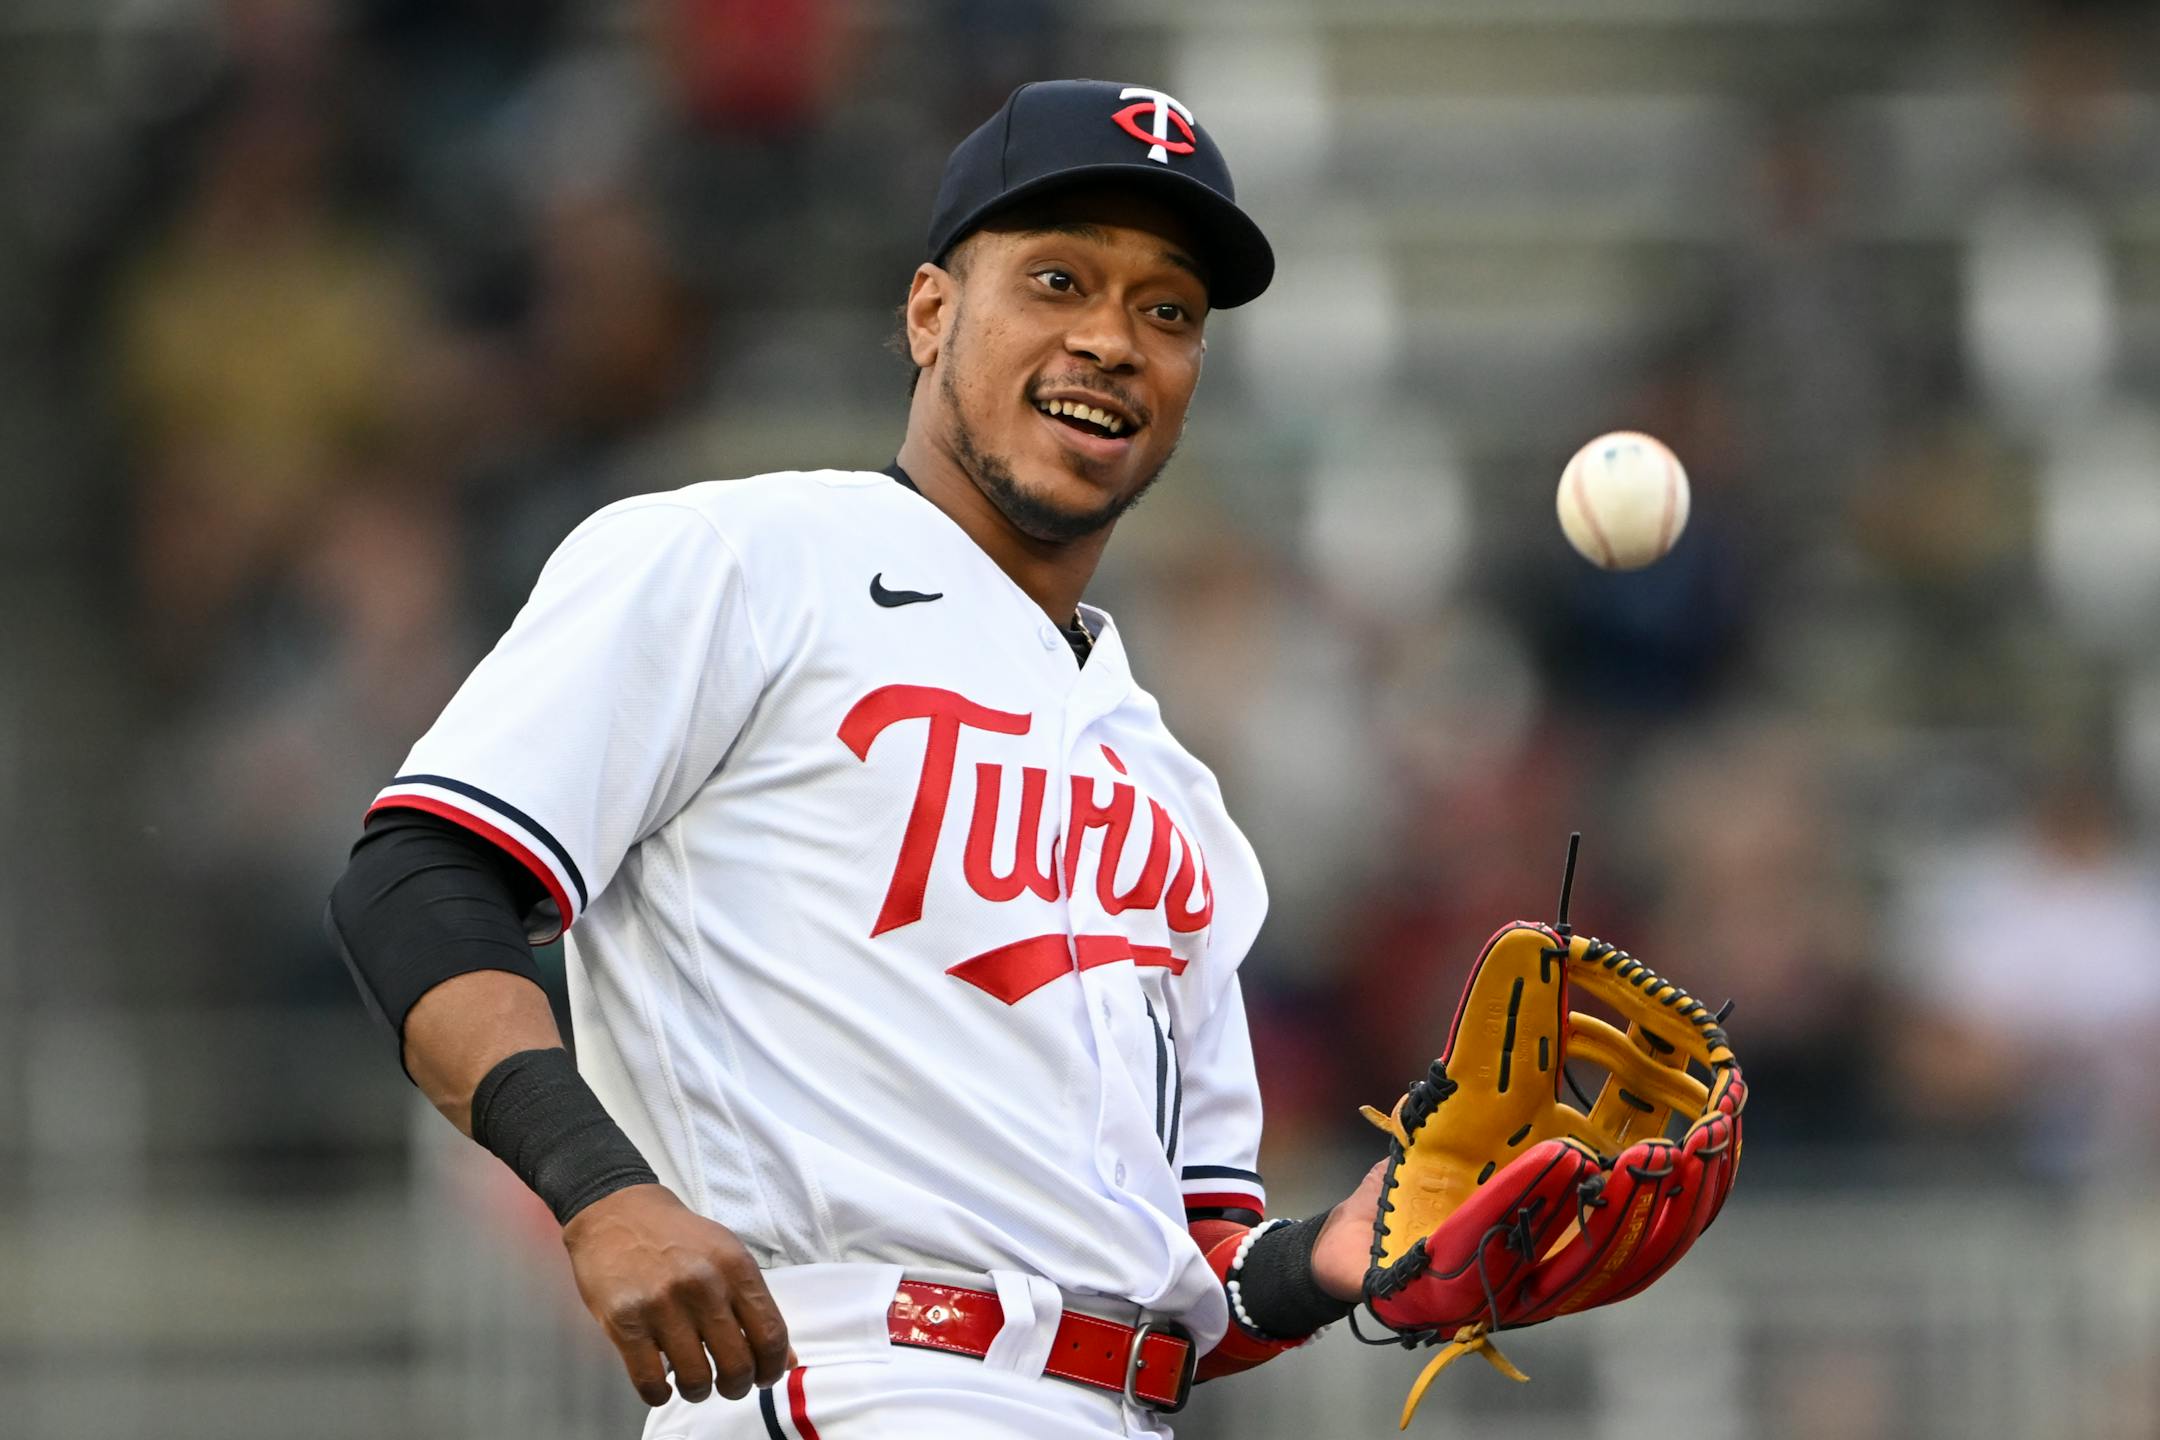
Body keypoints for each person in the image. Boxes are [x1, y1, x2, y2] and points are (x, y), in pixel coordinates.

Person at [327, 79, 1382, 1439]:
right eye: (1059, 279)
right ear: (933, 312)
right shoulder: (741, 560)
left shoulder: (1172, 787)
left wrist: (1346, 1266)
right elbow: (417, 877)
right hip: (857, 1380)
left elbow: (1189, 1272)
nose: (1113, 340)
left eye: (1167, 310)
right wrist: (598, 1184)